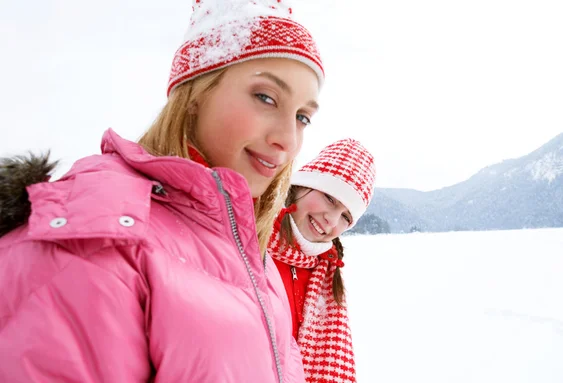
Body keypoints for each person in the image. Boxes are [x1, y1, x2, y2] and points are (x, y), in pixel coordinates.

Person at [0, 1, 324, 382]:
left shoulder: (246, 248)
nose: (287, 139)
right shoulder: (96, 241)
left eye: (303, 116)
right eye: (265, 97)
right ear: (196, 94)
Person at [267, 139, 376, 382]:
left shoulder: (326, 273)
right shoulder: (251, 240)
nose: (331, 220)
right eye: (330, 198)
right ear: (301, 185)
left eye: (345, 217)